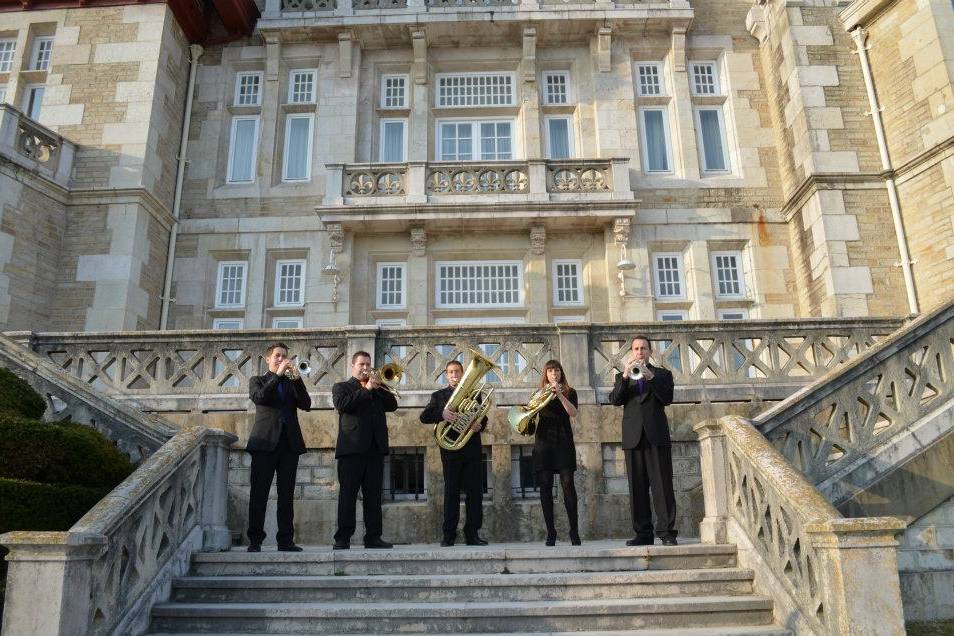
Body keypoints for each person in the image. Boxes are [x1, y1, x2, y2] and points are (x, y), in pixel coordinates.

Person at [608, 336, 677, 546]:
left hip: (656, 436)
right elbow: (615, 400)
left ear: (650, 352)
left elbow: (667, 398)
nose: (640, 352)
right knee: (637, 488)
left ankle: (666, 533)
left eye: (643, 348)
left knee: (662, 487)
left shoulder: (663, 374)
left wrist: (651, 377)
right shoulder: (622, 376)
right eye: (636, 349)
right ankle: (643, 534)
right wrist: (627, 376)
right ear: (632, 352)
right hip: (633, 437)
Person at [246, 342, 311, 552]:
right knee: (259, 494)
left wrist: (297, 379)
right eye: (277, 356)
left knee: (286, 495)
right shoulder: (257, 380)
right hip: (264, 443)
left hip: (289, 444)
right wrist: (277, 375)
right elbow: (260, 397)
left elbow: (306, 404)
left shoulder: (292, 383)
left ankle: (285, 540)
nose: (282, 359)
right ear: (268, 359)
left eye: (284, 356)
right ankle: (255, 540)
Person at [331, 351, 397, 550]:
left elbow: (392, 405)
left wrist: (379, 387)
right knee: (347, 496)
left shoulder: (378, 388)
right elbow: (343, 405)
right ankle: (343, 538)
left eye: (368, 364)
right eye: (361, 364)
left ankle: (373, 537)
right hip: (351, 450)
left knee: (374, 497)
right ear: (353, 366)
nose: (366, 368)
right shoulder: (342, 387)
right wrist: (367, 388)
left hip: (375, 449)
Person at [419, 360, 488, 547]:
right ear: (446, 374)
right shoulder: (439, 396)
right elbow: (424, 417)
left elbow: (483, 417)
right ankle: (449, 535)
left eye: (457, 371)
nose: (454, 375)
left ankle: (472, 534)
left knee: (475, 493)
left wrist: (478, 425)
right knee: (451, 493)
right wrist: (442, 415)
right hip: (450, 451)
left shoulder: (474, 394)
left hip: (471, 449)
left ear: (463, 373)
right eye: (450, 372)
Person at [532, 359, 580, 546]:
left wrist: (559, 395)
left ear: (561, 373)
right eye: (550, 371)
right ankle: (551, 532)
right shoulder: (538, 393)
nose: (554, 374)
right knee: (545, 488)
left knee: (568, 485)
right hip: (544, 444)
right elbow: (529, 416)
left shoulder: (570, 392)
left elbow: (573, 413)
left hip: (564, 442)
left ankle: (574, 532)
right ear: (546, 374)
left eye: (557, 370)